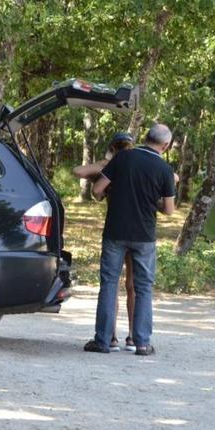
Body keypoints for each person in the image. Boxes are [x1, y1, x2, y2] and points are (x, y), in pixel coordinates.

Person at [84, 124, 176, 356]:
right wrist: (149, 201)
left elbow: (97, 189)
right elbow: (169, 210)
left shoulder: (123, 157)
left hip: (115, 231)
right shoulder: (164, 168)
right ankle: (142, 343)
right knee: (143, 288)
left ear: (145, 138)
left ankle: (103, 341)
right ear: (165, 146)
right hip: (144, 236)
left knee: (109, 284)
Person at [73, 133, 137, 352]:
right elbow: (78, 172)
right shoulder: (124, 166)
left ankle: (115, 337)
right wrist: (104, 165)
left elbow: (79, 172)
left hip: (117, 230)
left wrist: (103, 165)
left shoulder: (112, 168)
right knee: (129, 286)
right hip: (139, 232)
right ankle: (129, 337)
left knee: (115, 286)